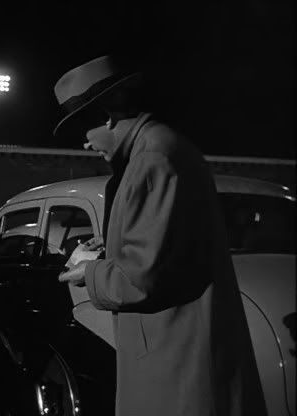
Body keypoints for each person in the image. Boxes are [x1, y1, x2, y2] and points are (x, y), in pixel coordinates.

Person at [55, 55, 267, 416]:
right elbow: (167, 246)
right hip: (179, 358)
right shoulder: (158, 149)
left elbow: (140, 278)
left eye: (83, 132)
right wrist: (111, 246)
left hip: (176, 367)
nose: (86, 145)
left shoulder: (152, 158)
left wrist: (87, 272)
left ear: (107, 116)